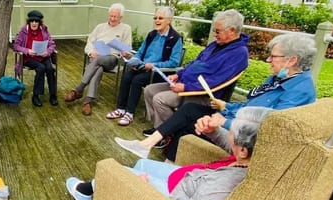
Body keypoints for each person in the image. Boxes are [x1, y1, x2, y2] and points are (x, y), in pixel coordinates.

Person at [115, 32, 317, 161]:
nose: (268, 59)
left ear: (292, 60)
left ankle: (160, 158)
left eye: (274, 56)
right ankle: (150, 149)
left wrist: (226, 121)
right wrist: (226, 106)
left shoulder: (301, 90)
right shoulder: (278, 80)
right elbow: (250, 107)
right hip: (237, 122)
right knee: (190, 111)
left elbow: (271, 125)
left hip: (248, 142)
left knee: (192, 117)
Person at [67, 106, 272, 200]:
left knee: (117, 171)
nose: (229, 134)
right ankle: (114, 197)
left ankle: (86, 191)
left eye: (231, 133)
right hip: (190, 179)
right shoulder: (254, 156)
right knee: (141, 165)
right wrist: (215, 131)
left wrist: (147, 189)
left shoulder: (228, 184)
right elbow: (232, 147)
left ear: (243, 150)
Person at [141, 9, 249, 145]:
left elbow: (215, 82)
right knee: (150, 90)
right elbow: (195, 63)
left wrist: (186, 87)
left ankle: (168, 133)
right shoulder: (216, 45)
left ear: (232, 31)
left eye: (217, 31)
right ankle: (161, 128)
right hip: (186, 83)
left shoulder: (239, 53)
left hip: (199, 94)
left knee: (160, 99)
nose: (214, 34)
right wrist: (178, 74)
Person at [106, 6, 183, 126]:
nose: (157, 20)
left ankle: (130, 113)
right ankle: (120, 109)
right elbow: (141, 52)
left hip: (158, 72)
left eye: (160, 18)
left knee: (137, 80)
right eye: (155, 18)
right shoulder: (152, 34)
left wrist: (153, 65)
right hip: (143, 67)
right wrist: (135, 60)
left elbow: (174, 62)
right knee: (126, 76)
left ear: (169, 20)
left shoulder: (175, 38)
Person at [63, 3, 132, 115]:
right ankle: (88, 101)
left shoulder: (126, 28)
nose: (112, 18)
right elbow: (90, 41)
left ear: (121, 17)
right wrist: (91, 51)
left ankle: (79, 89)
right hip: (96, 56)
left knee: (99, 61)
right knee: (98, 67)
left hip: (112, 58)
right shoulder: (100, 27)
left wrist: (125, 52)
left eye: (115, 17)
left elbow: (127, 48)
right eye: (111, 16)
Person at [13, 9, 58, 107]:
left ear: (39, 22)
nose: (34, 23)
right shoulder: (23, 31)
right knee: (41, 68)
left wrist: (47, 52)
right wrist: (27, 51)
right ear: (29, 22)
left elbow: (52, 44)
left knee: (50, 69)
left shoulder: (44, 30)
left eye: (36, 21)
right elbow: (16, 46)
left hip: (42, 57)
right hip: (29, 58)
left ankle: (53, 95)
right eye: (32, 21)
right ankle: (36, 96)